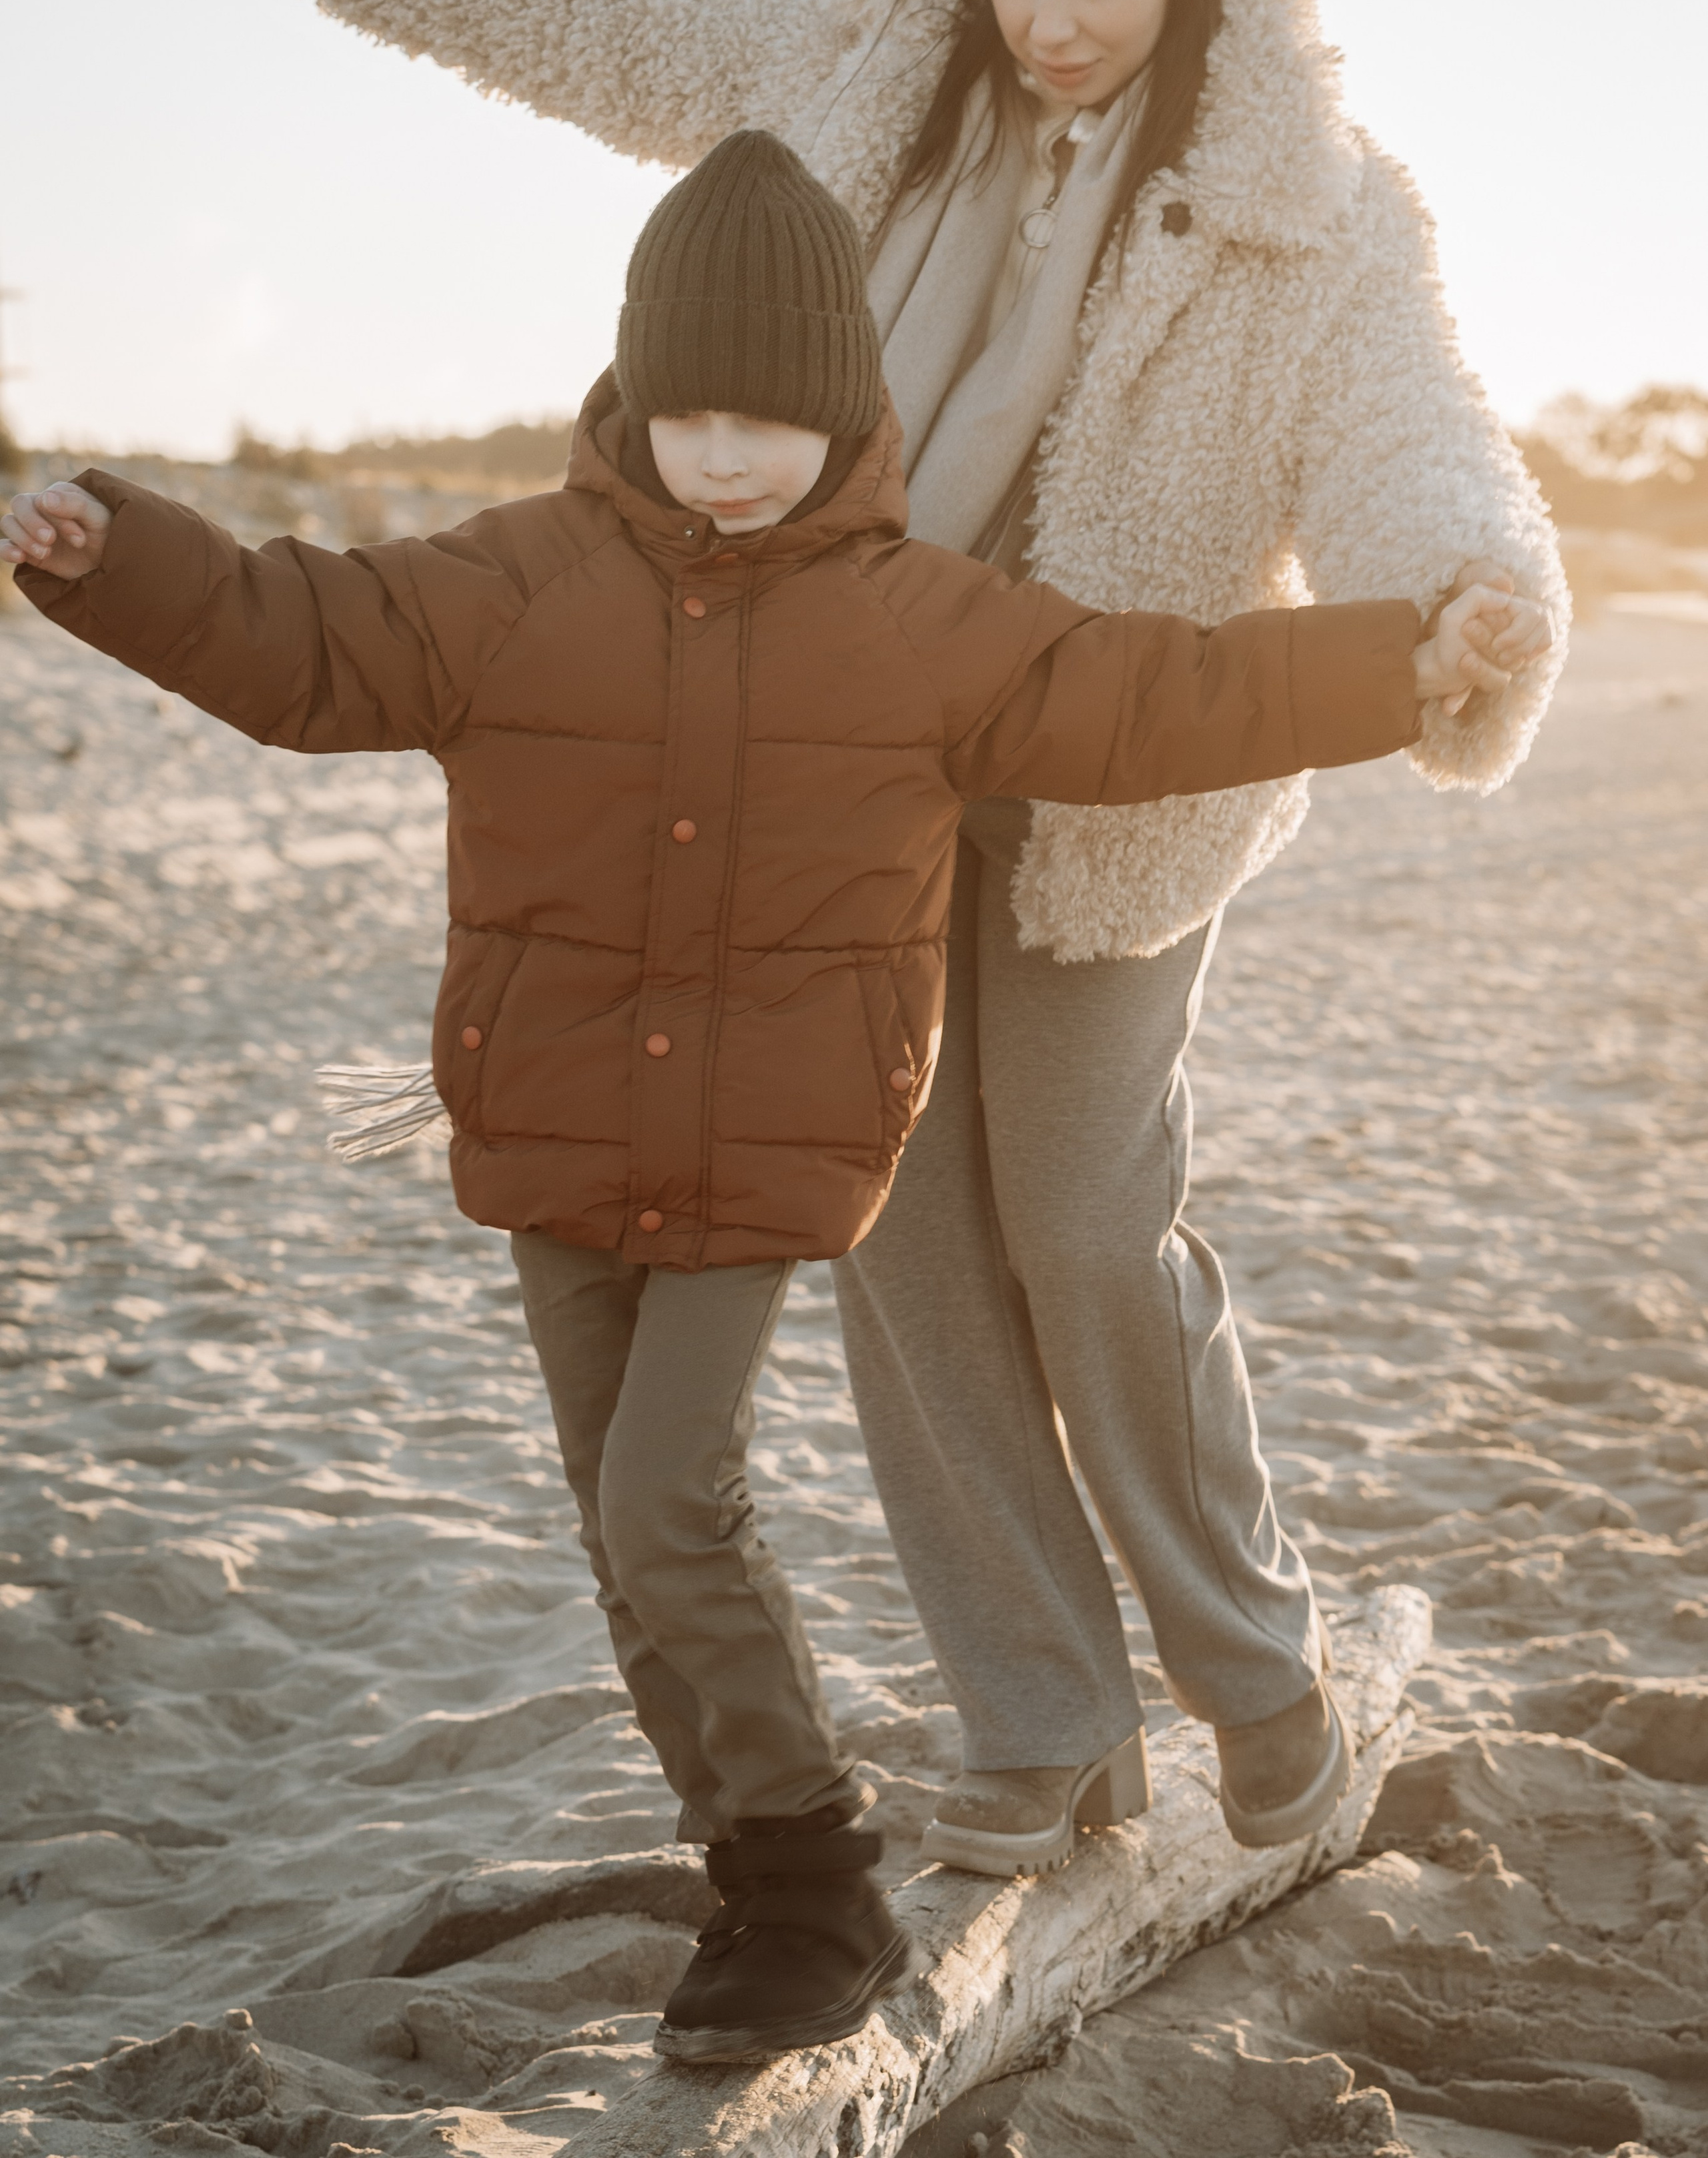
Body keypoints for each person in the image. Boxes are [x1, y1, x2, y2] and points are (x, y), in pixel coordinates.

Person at [204, 0, 1569, 1868]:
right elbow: (610, 12)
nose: (1048, 20)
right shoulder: (866, 61)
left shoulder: (1314, 205)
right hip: (843, 755)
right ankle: (1046, 1723)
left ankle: (1255, 1671)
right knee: (908, 1252)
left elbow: (1410, 426)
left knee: (1092, 1228)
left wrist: (1466, 595)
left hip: (1122, 766)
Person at [5, 131, 1547, 2055]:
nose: (725, 458)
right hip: (555, 1126)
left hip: (777, 1145)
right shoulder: (512, 579)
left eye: (769, 423)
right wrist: (116, 558)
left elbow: (1157, 697)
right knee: (624, 1534)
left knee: (670, 1500)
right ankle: (759, 1876)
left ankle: (816, 1887)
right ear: (634, 400)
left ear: (842, 416)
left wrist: (1409, 662)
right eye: (688, 416)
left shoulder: (914, 617)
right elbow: (301, 639)